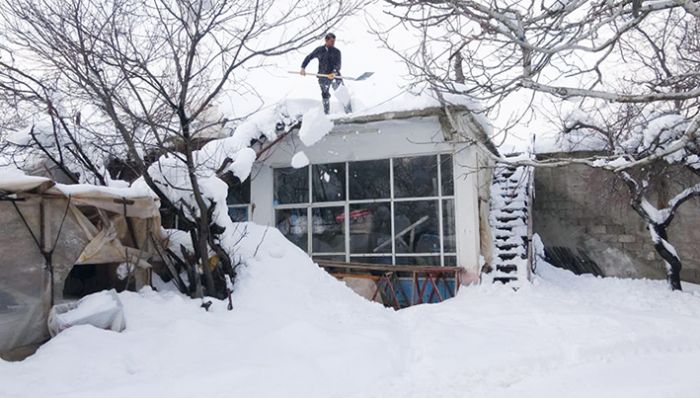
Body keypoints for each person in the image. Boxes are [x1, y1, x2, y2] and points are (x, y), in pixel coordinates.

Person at [300, 33, 352, 114]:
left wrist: (334, 73)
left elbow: (338, 65)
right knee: (325, 94)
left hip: (335, 76)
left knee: (341, 92)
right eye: (331, 41)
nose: (333, 43)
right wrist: (303, 68)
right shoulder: (319, 50)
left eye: (334, 41)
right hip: (323, 76)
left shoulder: (337, 52)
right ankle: (326, 113)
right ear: (326, 40)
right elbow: (309, 57)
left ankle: (349, 112)